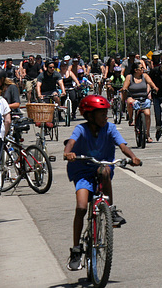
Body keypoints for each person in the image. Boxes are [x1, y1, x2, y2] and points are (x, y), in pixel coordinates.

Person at [63, 95, 141, 271]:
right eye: (102, 113)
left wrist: (133, 157)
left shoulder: (110, 128)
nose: (106, 116)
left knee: (104, 170)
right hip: (82, 171)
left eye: (107, 113)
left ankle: (110, 210)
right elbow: (71, 142)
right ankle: (76, 250)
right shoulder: (81, 129)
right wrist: (68, 153)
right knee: (82, 208)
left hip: (102, 167)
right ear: (90, 115)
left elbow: (122, 146)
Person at [122, 61, 158, 143]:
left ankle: (147, 134)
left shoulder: (145, 76)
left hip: (143, 98)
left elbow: (151, 83)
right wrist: (124, 89)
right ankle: (131, 118)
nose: (143, 69)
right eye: (141, 68)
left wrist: (155, 88)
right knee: (129, 102)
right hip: (133, 97)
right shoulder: (129, 77)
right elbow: (125, 87)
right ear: (135, 70)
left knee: (147, 114)